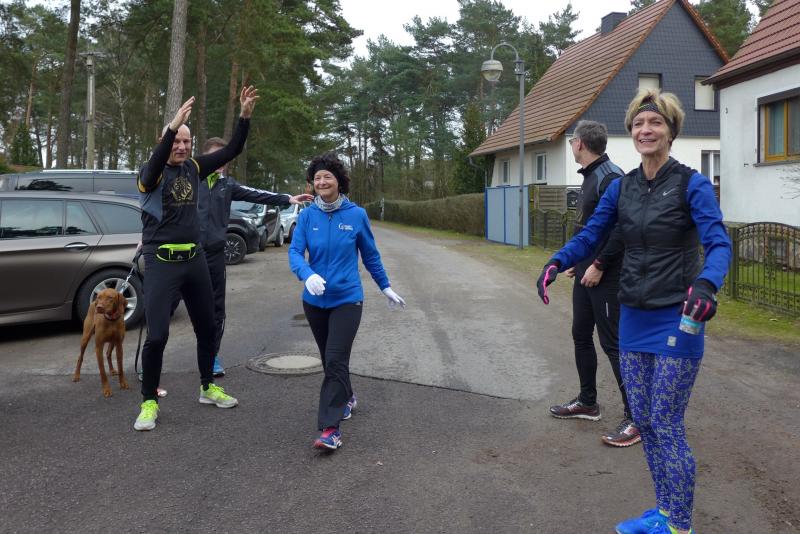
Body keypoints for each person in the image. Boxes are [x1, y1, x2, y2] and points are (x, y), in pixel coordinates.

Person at [535, 89, 731, 534]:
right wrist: (558, 261)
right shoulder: (622, 187)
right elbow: (593, 234)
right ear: (631, 132)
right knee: (643, 419)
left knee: (665, 421)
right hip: (634, 316)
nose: (646, 130)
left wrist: (706, 284)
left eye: (655, 123)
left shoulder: (691, 184)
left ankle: (680, 525)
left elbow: (719, 243)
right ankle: (663, 511)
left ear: (671, 131)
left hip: (679, 317)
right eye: (639, 124)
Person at [133, 86, 259, 432]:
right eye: (176, 140)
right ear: (164, 141)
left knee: (208, 327)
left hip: (194, 259)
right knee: (157, 336)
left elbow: (232, 150)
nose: (182, 146)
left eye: (186, 141)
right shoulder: (149, 174)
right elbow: (155, 163)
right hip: (161, 262)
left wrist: (244, 117)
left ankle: (207, 387)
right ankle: (148, 402)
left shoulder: (194, 168)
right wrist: (173, 126)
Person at [288, 152, 406, 450]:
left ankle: (331, 430)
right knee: (332, 360)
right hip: (314, 301)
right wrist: (306, 274)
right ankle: (347, 395)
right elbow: (295, 252)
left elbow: (370, 255)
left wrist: (385, 287)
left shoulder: (356, 215)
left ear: (339, 181)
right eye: (317, 178)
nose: (322, 182)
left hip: (347, 299)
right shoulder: (307, 216)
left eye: (327, 177)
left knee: (335, 358)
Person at [548, 120, 640, 448]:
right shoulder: (590, 176)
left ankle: (636, 416)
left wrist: (599, 265)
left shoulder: (611, 177)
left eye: (572, 141)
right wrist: (578, 261)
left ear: (581, 144)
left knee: (613, 343)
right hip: (587, 271)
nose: (571, 146)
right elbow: (590, 227)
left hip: (608, 274)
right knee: (580, 334)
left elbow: (621, 229)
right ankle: (588, 402)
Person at [198, 138, 313, 377]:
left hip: (215, 256)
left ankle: (211, 356)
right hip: (188, 255)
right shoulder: (190, 179)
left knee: (216, 309)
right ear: (205, 157)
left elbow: (257, 194)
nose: (220, 162)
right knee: (167, 307)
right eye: (216, 156)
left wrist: (286, 199)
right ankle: (152, 361)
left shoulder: (227, 184)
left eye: (224, 158)